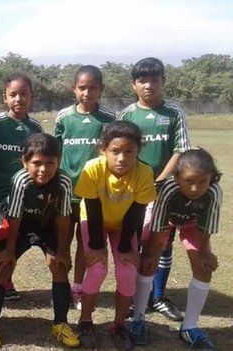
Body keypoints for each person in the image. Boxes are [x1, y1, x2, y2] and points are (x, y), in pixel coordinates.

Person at [0, 133, 78, 348]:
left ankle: (60, 324)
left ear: (58, 161)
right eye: (37, 163)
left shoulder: (63, 181)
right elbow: (14, 218)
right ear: (25, 162)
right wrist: (8, 251)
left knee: (58, 265)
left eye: (50, 163)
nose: (43, 169)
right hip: (19, 226)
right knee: (3, 267)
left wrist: (62, 250)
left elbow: (63, 218)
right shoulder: (21, 180)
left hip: (47, 225)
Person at [74, 121, 157, 350]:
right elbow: (91, 207)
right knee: (97, 268)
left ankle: (119, 325)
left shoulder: (144, 172)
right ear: (103, 149)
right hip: (94, 221)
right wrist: (97, 246)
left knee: (128, 271)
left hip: (124, 224)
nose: (122, 158)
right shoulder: (93, 168)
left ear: (138, 151)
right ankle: (85, 321)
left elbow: (137, 212)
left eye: (129, 152)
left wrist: (126, 249)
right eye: (115, 151)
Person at [118, 57, 190, 321]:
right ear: (133, 84)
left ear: (163, 82)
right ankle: (133, 297)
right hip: (133, 190)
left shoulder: (174, 113)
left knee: (162, 242)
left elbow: (180, 150)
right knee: (133, 241)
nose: (148, 85)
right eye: (142, 80)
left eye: (154, 79)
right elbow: (120, 152)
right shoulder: (127, 115)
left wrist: (159, 180)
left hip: (165, 188)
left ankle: (157, 297)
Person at [131, 148, 222, 350]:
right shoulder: (168, 189)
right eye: (189, 181)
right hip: (163, 218)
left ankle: (189, 327)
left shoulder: (214, 192)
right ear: (176, 176)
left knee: (203, 266)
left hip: (192, 222)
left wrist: (205, 253)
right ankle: (138, 319)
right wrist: (151, 254)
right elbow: (158, 228)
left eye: (202, 182)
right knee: (148, 262)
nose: (195, 188)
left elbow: (204, 230)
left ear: (212, 178)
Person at [54, 65, 116, 309]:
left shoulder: (109, 119)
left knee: (85, 242)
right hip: (66, 192)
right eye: (82, 88)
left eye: (92, 88)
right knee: (62, 241)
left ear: (101, 89)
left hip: (94, 195)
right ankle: (60, 287)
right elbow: (54, 153)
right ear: (74, 89)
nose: (87, 92)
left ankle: (78, 288)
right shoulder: (64, 117)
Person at [0, 72, 43, 306]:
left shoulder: (35, 126)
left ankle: (6, 279)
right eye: (13, 94)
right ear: (4, 98)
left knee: (11, 242)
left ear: (31, 97)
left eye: (23, 94)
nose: (19, 99)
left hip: (22, 198)